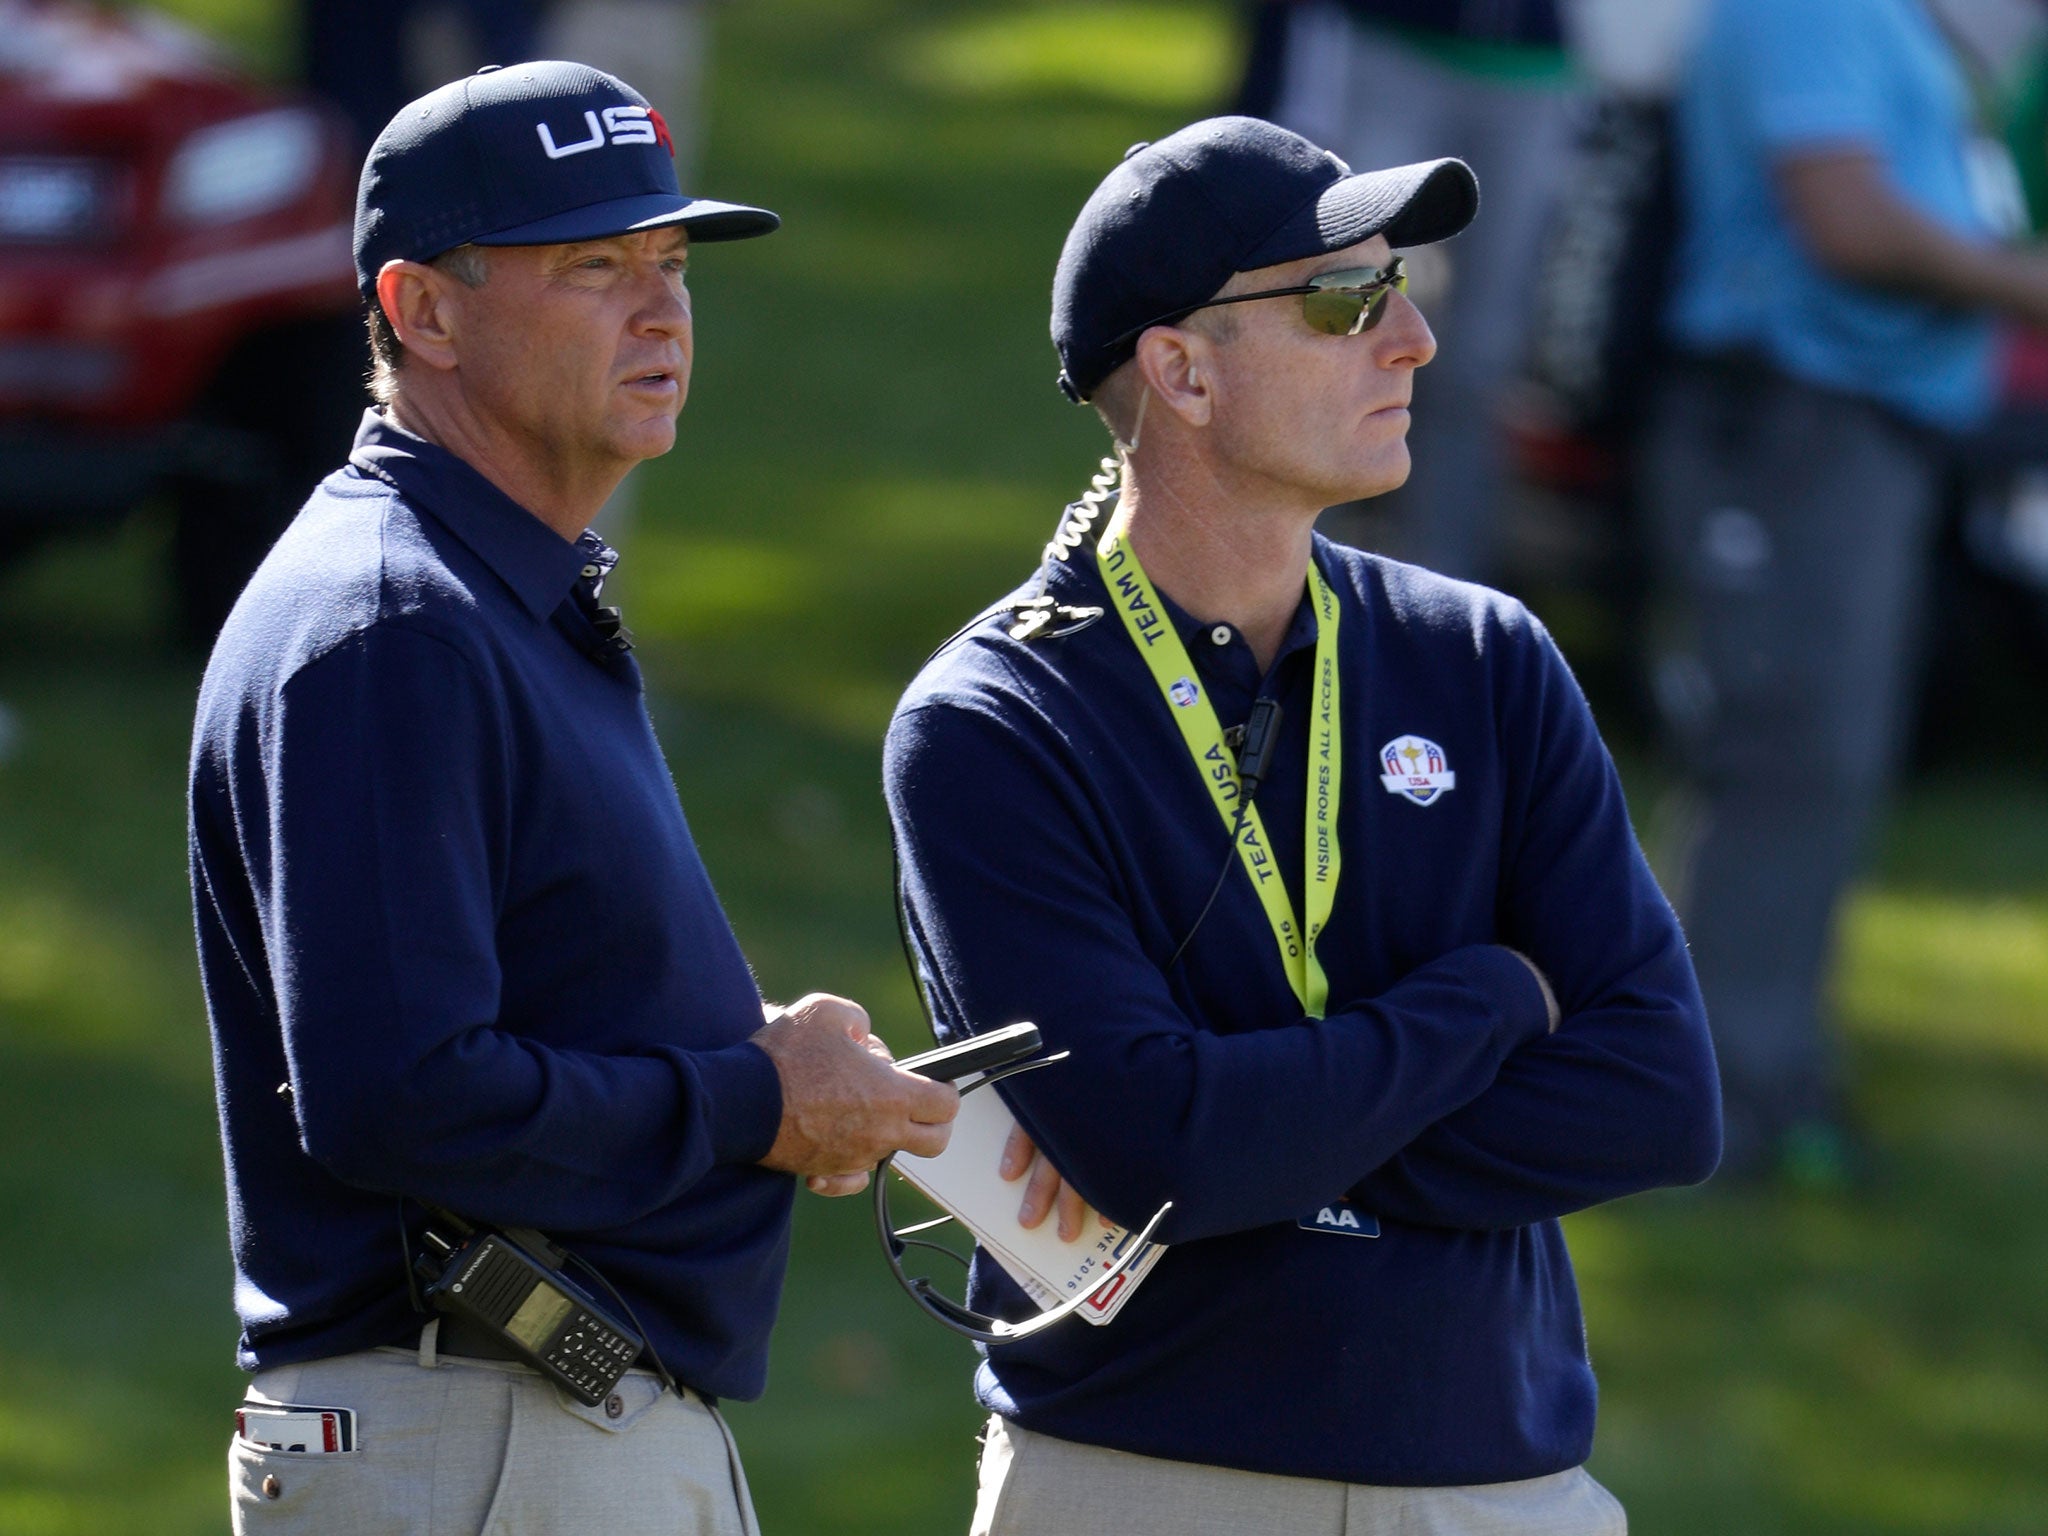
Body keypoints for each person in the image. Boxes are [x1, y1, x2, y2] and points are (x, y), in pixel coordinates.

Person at [884, 117, 1721, 1536]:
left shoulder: (1486, 659)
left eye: (1409, 292)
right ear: (1181, 370)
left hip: (1500, 1489)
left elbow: (1658, 1101)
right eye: (1346, 299)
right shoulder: (993, 720)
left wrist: (1259, 1124)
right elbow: (1163, 1158)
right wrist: (1482, 1006)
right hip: (1146, 1484)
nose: (1412, 343)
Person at [189, 61, 958, 1535]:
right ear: (423, 312)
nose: (663, 310)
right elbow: (398, 1098)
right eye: (594, 267)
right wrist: (758, 1099)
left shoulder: (480, 596)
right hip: (477, 1431)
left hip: (523, 1429)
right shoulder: (392, 623)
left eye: (670, 263)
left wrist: (764, 1061)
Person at [1642, 0, 2048, 1184]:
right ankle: (1705, 1112)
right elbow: (1846, 221)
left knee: (1821, 766)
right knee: (1783, 760)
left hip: (1854, 430)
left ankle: (1763, 1086)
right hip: (1777, 423)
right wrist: (2024, 286)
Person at [1260, 0, 1581, 581]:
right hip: (1398, 42)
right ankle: (1292, 575)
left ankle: (1442, 601)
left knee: (1481, 363)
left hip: (1536, 66)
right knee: (1339, 317)